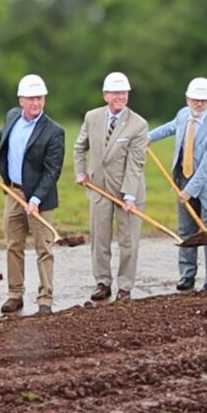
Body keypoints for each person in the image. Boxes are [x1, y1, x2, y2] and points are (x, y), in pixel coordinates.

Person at [0, 74, 65, 314]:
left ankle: (45, 299)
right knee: (14, 245)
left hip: (39, 200)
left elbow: (52, 171)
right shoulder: (13, 116)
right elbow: (0, 136)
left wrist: (35, 200)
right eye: (31, 98)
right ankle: (15, 294)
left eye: (40, 98)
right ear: (21, 100)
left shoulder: (54, 132)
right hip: (13, 192)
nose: (36, 103)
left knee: (44, 249)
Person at [149, 77, 207, 291]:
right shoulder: (183, 114)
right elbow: (170, 128)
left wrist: (190, 190)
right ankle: (187, 276)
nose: (198, 104)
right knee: (186, 232)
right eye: (195, 99)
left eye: (203, 100)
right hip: (184, 180)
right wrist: (147, 138)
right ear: (187, 98)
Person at [73, 71, 148, 302]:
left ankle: (125, 286)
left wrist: (129, 196)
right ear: (106, 95)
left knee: (128, 242)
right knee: (100, 239)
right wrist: (80, 172)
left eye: (124, 92)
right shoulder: (92, 117)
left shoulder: (138, 124)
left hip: (129, 191)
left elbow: (136, 165)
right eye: (116, 93)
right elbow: (79, 147)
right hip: (98, 189)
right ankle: (102, 282)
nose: (121, 97)